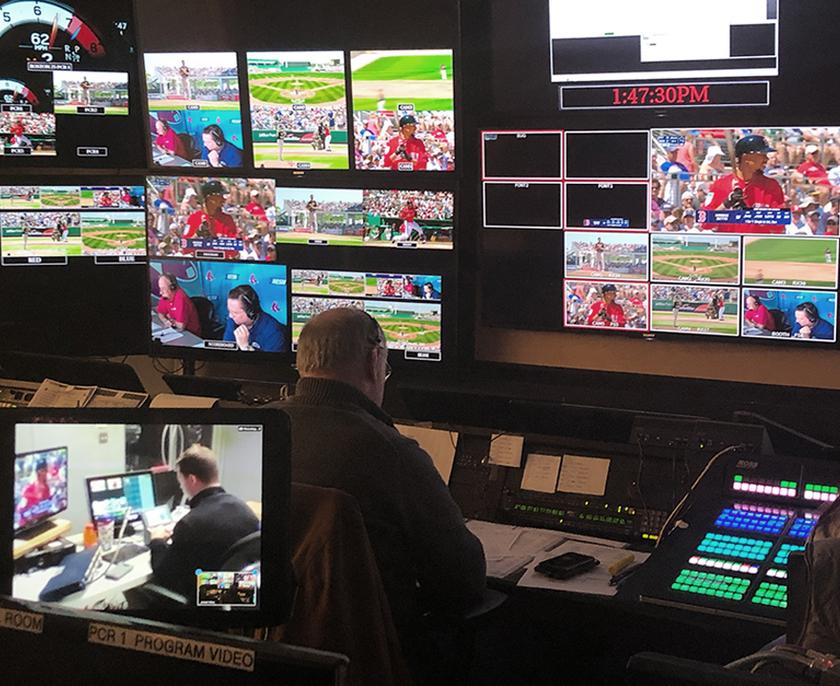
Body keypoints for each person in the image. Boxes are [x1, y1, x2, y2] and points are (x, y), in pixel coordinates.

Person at [268, 308, 485, 680]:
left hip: (260, 654)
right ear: (374, 361)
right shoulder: (392, 452)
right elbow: (462, 580)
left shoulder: (251, 433)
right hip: (367, 660)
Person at [148, 445, 259, 599]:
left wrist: (157, 540)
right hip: (242, 592)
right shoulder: (243, 508)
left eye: (180, 480)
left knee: (142, 590)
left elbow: (165, 574)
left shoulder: (190, 524)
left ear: (192, 479)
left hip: (208, 598)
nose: (181, 486)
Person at [702, 134, 786, 233]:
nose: (766, 159)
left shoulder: (772, 186)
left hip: (758, 246)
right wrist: (726, 205)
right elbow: (705, 223)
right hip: (730, 246)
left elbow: (780, 226)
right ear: (746, 158)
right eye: (761, 155)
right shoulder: (720, 185)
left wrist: (750, 214)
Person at [223, 284, 284, 352]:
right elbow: (227, 350)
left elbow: (270, 362)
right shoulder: (233, 320)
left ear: (251, 312)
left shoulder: (273, 332)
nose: (230, 316)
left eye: (235, 313)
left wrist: (245, 347)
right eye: (229, 311)